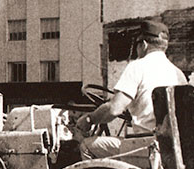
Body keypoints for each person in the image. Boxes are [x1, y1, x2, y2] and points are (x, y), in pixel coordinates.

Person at [74, 19, 187, 161]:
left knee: (87, 146)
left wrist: (89, 119)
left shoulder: (137, 67)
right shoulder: (178, 74)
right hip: (173, 147)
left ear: (144, 45)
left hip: (146, 145)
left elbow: (114, 109)